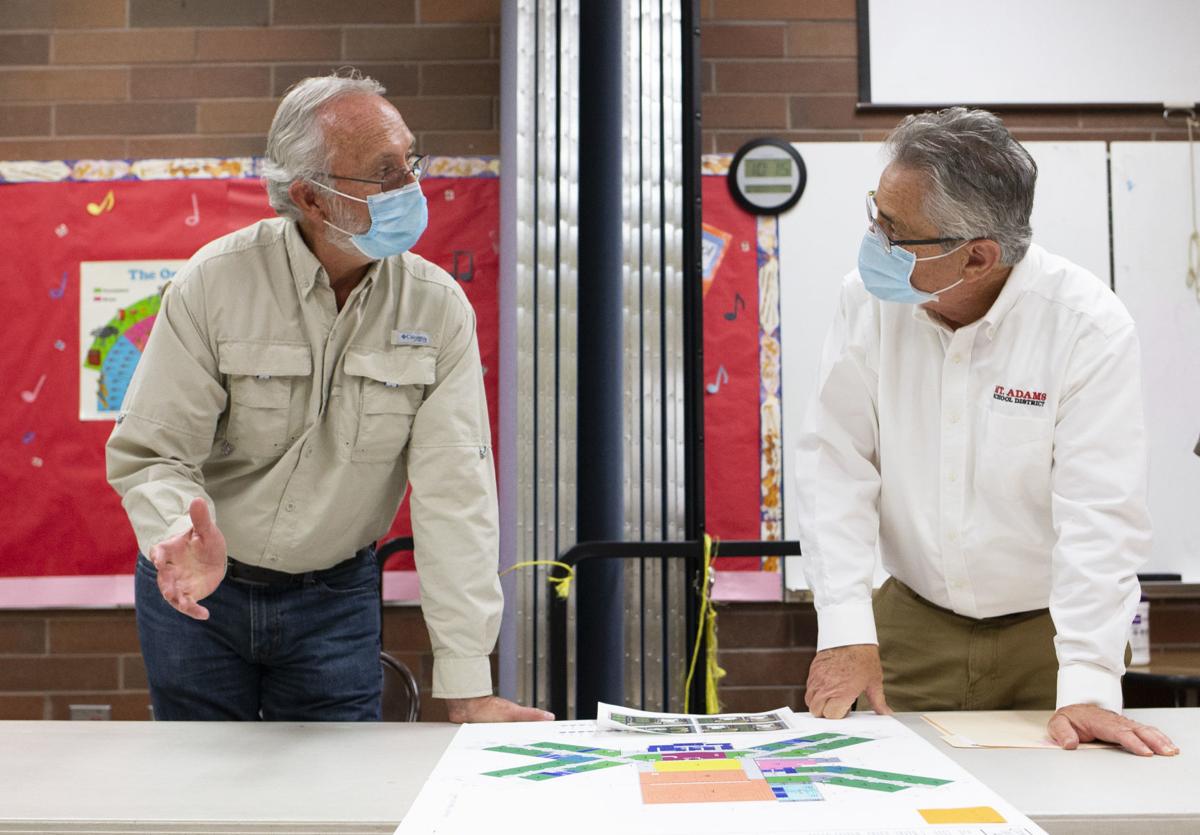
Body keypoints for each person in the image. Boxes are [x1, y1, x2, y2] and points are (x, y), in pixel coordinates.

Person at [106, 71, 550, 724]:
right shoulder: (214, 285)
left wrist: (468, 684)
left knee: (337, 798)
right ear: (312, 198)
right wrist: (179, 533)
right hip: (202, 599)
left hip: (335, 597)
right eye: (386, 172)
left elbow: (455, 494)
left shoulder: (437, 307)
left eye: (411, 162)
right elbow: (153, 453)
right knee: (197, 800)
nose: (412, 186)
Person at [797, 107, 1177, 756]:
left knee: (1061, 800)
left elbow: (1100, 512)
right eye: (875, 212)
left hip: (1050, 630)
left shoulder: (1086, 325)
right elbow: (836, 463)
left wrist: (1087, 678)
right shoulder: (865, 301)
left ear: (976, 257)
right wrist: (844, 625)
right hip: (912, 618)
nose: (872, 238)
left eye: (895, 230)